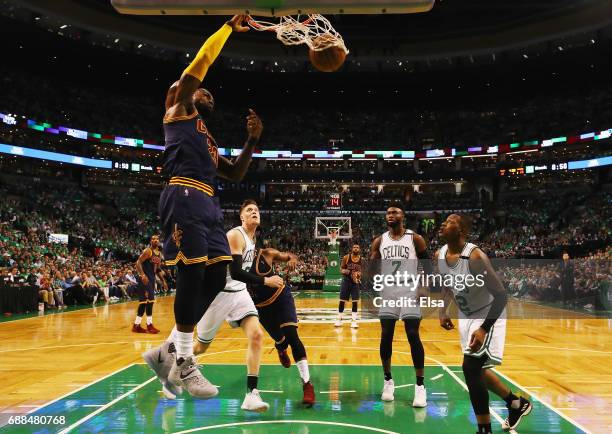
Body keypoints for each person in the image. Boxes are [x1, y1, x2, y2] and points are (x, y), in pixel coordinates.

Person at [158, 15, 263, 398]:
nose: (209, 95)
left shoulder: (209, 140)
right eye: (204, 92)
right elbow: (199, 63)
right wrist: (227, 29)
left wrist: (252, 140)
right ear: (183, 91)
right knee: (190, 276)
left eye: (210, 96)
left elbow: (234, 173)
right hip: (184, 195)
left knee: (219, 277)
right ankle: (183, 362)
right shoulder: (179, 110)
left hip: (209, 204)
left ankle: (168, 350)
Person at [143, 200, 283, 410]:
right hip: (218, 295)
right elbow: (235, 272)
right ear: (241, 217)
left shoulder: (254, 240)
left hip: (239, 293)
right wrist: (266, 280)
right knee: (199, 347)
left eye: (256, 210)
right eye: (249, 210)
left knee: (257, 335)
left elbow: (239, 276)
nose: (254, 212)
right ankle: (171, 373)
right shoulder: (236, 235)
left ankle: (251, 395)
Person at [437, 214, 532, 433]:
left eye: (449, 222)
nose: (443, 224)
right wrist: (443, 310)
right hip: (466, 315)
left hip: (487, 314)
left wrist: (483, 328)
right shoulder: (440, 254)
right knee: (478, 369)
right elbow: (446, 284)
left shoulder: (475, 256)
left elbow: (501, 296)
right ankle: (516, 403)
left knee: (470, 367)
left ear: (461, 231)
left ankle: (484, 429)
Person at [369, 203, 428, 407]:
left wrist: (424, 286)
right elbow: (372, 267)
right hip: (388, 291)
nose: (390, 215)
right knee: (386, 335)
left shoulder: (415, 238)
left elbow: (427, 265)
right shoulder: (379, 241)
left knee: (413, 334)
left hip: (410, 290)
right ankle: (388, 381)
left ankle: (420, 387)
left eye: (394, 212)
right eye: (388, 212)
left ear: (403, 216)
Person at [248, 240, 315, 407]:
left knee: (292, 335)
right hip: (262, 308)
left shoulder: (266, 254)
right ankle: (280, 347)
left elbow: (290, 255)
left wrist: (292, 259)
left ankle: (307, 384)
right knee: (281, 340)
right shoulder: (235, 263)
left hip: (280, 297)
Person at [132, 235, 162, 334]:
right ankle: (149, 325)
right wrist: (142, 275)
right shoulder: (148, 251)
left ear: (159, 241)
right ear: (151, 241)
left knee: (145, 302)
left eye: (157, 239)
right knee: (149, 301)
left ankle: (136, 325)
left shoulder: (159, 254)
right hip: (145, 279)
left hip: (152, 279)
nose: (155, 240)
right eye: (153, 239)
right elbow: (138, 262)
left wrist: (163, 280)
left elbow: (157, 269)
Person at [336, 243, 363, 328]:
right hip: (346, 281)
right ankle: (339, 319)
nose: (355, 248)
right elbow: (341, 269)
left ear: (359, 249)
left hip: (355, 283)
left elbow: (363, 271)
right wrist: (345, 271)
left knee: (355, 301)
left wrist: (358, 275)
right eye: (354, 247)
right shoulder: (346, 257)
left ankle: (354, 321)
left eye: (357, 247)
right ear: (352, 249)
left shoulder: (362, 260)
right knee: (342, 300)